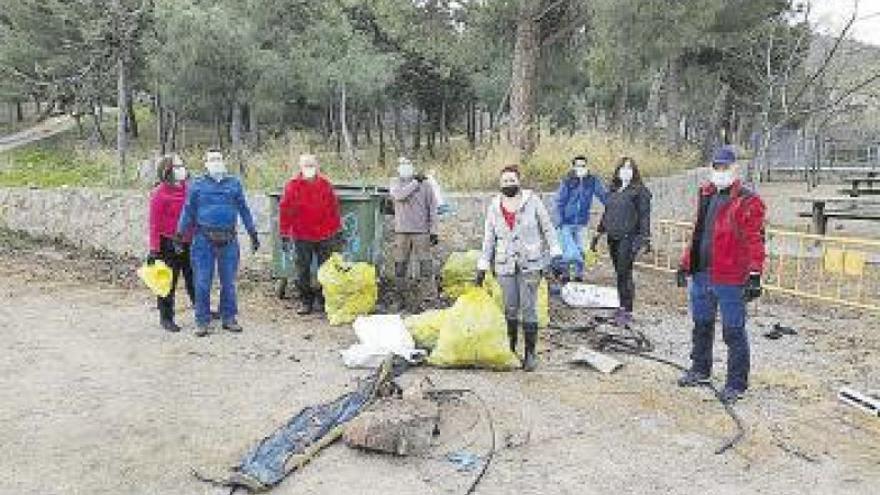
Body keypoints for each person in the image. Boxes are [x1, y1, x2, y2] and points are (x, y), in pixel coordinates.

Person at [676, 145, 766, 404]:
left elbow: (755, 240)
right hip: (702, 274)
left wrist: (754, 274)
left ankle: (736, 383)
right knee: (701, 326)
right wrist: (685, 264)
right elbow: (698, 233)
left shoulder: (749, 200)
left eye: (725, 167)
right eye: (716, 166)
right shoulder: (706, 194)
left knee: (733, 331)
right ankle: (700, 370)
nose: (720, 171)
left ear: (735, 168)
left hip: (730, 278)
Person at [476, 166, 562, 372]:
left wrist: (556, 252)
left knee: (529, 308)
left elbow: (547, 228)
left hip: (530, 263)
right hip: (505, 264)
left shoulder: (532, 201)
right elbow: (489, 237)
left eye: (511, 180)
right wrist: (482, 265)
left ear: (519, 181)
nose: (508, 184)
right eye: (504, 181)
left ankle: (530, 354)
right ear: (500, 184)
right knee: (510, 308)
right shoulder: (494, 206)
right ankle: (511, 348)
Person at [176, 149, 259, 336]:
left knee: (228, 282)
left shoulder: (234, 184)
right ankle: (201, 320)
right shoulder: (196, 185)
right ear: (205, 163)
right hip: (203, 240)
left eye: (219, 158)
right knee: (203, 281)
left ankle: (228, 317)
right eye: (212, 159)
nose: (216, 162)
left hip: (229, 239)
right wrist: (179, 234)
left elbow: (244, 209)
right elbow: (188, 211)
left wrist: (252, 232)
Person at [278, 154, 341, 315]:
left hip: (325, 235)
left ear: (317, 166)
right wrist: (284, 233)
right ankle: (306, 302)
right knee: (302, 270)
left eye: (311, 165)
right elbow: (285, 211)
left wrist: (337, 231)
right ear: (300, 167)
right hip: (302, 235)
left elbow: (333, 209)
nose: (309, 168)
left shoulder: (326, 185)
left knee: (325, 270)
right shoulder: (292, 185)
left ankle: (322, 300)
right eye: (306, 165)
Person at [593, 157, 652, 328]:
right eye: (623, 168)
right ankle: (621, 307)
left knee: (624, 273)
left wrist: (644, 239)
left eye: (629, 168)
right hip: (613, 237)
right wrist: (598, 233)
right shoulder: (614, 190)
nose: (626, 171)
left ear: (634, 171)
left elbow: (644, 216)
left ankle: (627, 311)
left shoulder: (639, 191)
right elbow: (607, 212)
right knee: (619, 273)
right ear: (618, 171)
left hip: (629, 238)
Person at [146, 154, 194, 332]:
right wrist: (154, 249)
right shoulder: (159, 193)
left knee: (194, 279)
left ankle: (201, 310)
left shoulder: (188, 189)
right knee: (167, 282)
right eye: (177, 166)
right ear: (167, 171)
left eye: (182, 165)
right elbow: (154, 223)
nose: (182, 168)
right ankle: (166, 317)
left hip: (189, 240)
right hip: (168, 243)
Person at [388, 157, 438, 313]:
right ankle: (399, 299)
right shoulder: (394, 182)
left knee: (426, 267)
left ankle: (429, 300)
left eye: (408, 164)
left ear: (413, 166)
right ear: (398, 168)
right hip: (401, 232)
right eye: (402, 164)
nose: (405, 167)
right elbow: (399, 196)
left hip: (421, 231)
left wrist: (434, 230)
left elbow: (433, 208)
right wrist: (416, 182)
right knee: (400, 267)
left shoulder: (427, 185)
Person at [555, 155, 607, 282]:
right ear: (573, 167)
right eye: (578, 165)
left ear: (587, 166)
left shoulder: (592, 181)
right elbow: (560, 201)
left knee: (581, 249)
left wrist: (614, 204)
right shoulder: (567, 181)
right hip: (566, 222)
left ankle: (578, 276)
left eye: (583, 165)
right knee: (570, 250)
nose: (581, 168)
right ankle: (565, 275)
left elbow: (603, 195)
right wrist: (559, 220)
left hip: (582, 222)